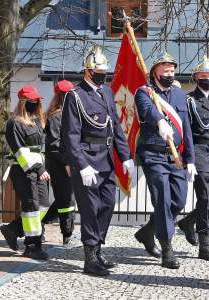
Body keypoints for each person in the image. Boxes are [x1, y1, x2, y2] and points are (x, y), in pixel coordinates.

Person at [60, 45, 134, 276]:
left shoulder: (107, 93)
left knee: (108, 204)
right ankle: (90, 257)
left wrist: (126, 157)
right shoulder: (75, 96)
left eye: (105, 70)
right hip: (88, 159)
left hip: (106, 159)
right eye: (99, 70)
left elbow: (116, 128)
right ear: (87, 71)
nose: (103, 73)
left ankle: (98, 247)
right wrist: (81, 166)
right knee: (90, 209)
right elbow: (70, 135)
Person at [133, 52, 196, 269]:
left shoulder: (179, 95)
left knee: (178, 201)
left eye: (172, 71)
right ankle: (167, 248)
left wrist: (191, 159)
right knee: (162, 199)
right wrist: (159, 121)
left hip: (175, 156)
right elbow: (146, 110)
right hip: (153, 155)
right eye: (165, 71)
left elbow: (186, 127)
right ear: (155, 72)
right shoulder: (144, 92)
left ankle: (146, 232)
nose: (170, 74)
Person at [177, 56, 209, 262]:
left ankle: (188, 221)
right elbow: (186, 131)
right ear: (196, 77)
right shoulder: (189, 99)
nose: (207, 79)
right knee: (205, 198)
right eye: (202, 75)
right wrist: (188, 157)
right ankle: (205, 244)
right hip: (200, 151)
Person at [3, 85, 50, 260]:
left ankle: (15, 228)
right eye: (31, 100)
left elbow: (38, 148)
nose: (35, 102)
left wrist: (41, 167)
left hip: (38, 168)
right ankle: (32, 246)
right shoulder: (14, 123)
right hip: (23, 170)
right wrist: (38, 168)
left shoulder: (37, 120)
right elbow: (20, 150)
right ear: (23, 102)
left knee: (43, 205)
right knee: (31, 207)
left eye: (36, 100)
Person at [41, 80, 76, 245]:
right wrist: (67, 162)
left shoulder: (70, 115)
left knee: (65, 200)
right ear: (63, 96)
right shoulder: (56, 117)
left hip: (68, 164)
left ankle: (62, 229)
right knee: (66, 200)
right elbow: (55, 145)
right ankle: (67, 232)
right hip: (59, 165)